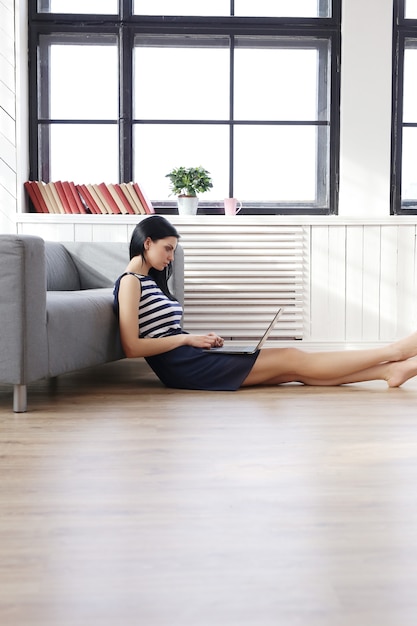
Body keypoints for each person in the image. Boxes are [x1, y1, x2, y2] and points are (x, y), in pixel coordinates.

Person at [113, 215, 417, 391]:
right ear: (147, 242)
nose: (170, 258)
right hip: (182, 367)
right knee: (294, 357)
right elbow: (132, 348)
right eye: (167, 249)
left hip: (188, 358)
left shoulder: (151, 283)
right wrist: (188, 338)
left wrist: (196, 339)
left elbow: (163, 332)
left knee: (295, 371)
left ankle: (388, 372)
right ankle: (394, 351)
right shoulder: (130, 283)